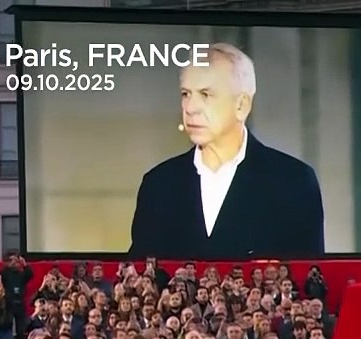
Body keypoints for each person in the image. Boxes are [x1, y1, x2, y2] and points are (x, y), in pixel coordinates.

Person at [128, 42, 325, 259]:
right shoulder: (159, 185)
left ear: (242, 105)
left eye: (205, 94)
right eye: (186, 94)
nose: (190, 108)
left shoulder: (293, 182)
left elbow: (309, 278)